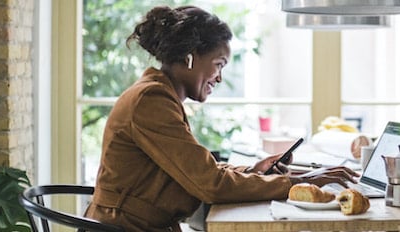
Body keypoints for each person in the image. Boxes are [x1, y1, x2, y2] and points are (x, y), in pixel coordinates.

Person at [84, 5, 359, 232]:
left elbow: (201, 171)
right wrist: (298, 183)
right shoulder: (151, 101)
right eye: (218, 64)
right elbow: (210, 185)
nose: (220, 77)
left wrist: (254, 171)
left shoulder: (159, 95)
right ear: (190, 58)